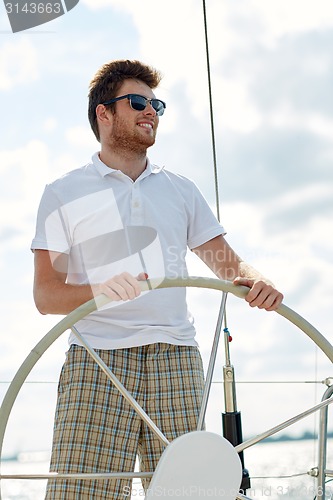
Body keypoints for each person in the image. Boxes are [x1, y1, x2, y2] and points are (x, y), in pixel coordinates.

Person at [31, 59, 283, 499]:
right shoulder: (62, 192)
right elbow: (45, 295)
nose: (151, 111)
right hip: (98, 361)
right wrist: (101, 291)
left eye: (156, 105)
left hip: (176, 358)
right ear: (103, 113)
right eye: (137, 102)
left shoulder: (181, 189)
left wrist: (256, 280)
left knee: (191, 494)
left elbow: (230, 265)